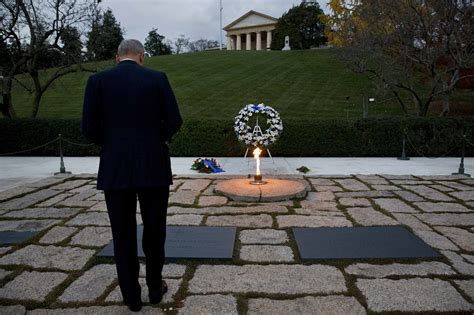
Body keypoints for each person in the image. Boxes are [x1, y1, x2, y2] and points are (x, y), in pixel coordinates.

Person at [81, 39, 182, 312]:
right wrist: (154, 140)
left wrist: (112, 144)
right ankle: (154, 288)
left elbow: (88, 128)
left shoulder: (97, 81)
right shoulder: (157, 78)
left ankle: (131, 296)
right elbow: (174, 121)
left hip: (116, 167)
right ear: (141, 56)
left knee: (122, 233)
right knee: (154, 231)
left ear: (117, 58)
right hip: (153, 165)